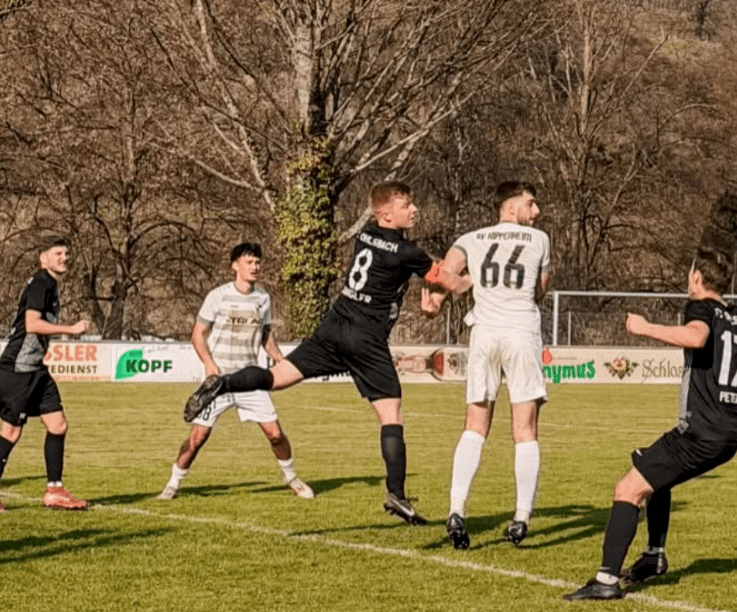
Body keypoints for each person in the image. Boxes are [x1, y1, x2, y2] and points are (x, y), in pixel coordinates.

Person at [182, 181, 471, 524]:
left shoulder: (366, 233)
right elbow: (452, 282)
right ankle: (396, 494)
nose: (414, 210)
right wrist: (473, 277)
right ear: (386, 214)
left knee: (276, 377)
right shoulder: (408, 252)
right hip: (366, 337)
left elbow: (415, 270)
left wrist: (430, 281)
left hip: (335, 324)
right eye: (406, 205)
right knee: (391, 413)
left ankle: (222, 384)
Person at [563, 251, 737, 601]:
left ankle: (606, 580)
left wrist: (644, 328)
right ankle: (653, 557)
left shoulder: (700, 307)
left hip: (701, 432)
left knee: (627, 489)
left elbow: (696, 337)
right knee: (651, 470)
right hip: (729, 434)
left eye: (690, 274)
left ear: (698, 279)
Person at [421, 181, 552, 549]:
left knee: (475, 427)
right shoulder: (539, 240)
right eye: (531, 203)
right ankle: (521, 517)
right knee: (524, 431)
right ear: (511, 208)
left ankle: (456, 509)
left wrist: (438, 297)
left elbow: (443, 272)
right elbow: (539, 291)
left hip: (484, 334)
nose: (536, 211)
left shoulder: (471, 237)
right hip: (520, 334)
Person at [157, 243, 313, 501]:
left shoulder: (262, 298)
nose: (255, 267)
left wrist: (279, 359)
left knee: (275, 434)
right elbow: (198, 333)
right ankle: (173, 484)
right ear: (235, 266)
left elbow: (265, 336)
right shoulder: (218, 296)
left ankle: (292, 479)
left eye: (257, 263)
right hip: (219, 382)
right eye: (249, 262)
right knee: (197, 438)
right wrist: (208, 363)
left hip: (250, 379)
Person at [0, 237, 91, 513]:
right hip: (19, 368)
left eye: (66, 253)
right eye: (58, 253)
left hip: (36, 368)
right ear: (43, 258)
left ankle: (54, 490)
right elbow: (31, 324)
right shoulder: (40, 283)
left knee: (58, 425)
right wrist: (71, 329)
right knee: (11, 431)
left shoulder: (50, 284)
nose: (64, 257)